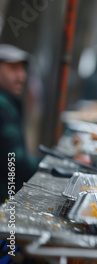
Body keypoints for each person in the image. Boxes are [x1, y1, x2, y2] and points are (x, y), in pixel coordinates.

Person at [0, 44, 39, 202]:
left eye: (22, 69)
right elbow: (14, 164)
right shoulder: (2, 107)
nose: (21, 76)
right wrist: (49, 164)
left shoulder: (9, 102)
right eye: (13, 69)